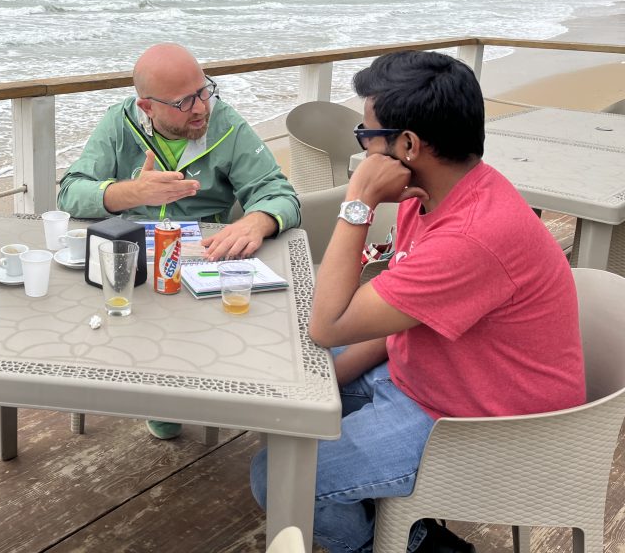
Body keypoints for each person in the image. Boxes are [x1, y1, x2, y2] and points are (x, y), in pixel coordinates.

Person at [249, 51, 586, 553]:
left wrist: (357, 203)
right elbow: (392, 326)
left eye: (368, 139)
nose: (364, 154)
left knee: (278, 477)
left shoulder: (472, 237)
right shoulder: (436, 196)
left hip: (490, 430)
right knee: (283, 395)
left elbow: (328, 324)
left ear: (407, 145)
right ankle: (387, 514)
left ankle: (410, 544)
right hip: (437, 378)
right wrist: (319, 384)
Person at [58, 42, 301, 439]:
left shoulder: (226, 123)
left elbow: (278, 192)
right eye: (184, 101)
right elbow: (70, 193)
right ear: (147, 107)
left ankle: (181, 392)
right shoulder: (118, 124)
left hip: (201, 260)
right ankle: (144, 388)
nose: (202, 107)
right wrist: (131, 193)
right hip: (129, 265)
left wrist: (258, 221)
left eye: (204, 90)